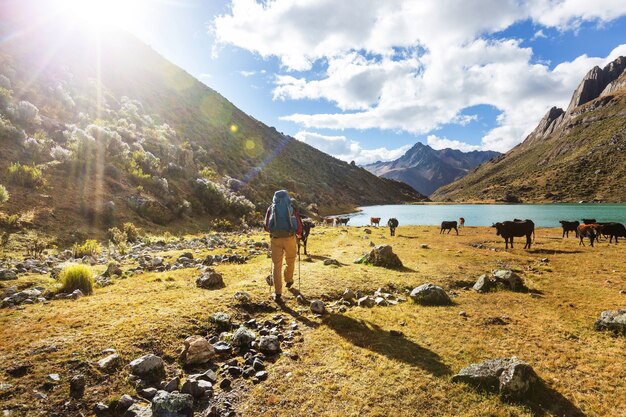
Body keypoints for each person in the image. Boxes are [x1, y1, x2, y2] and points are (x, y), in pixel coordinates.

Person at [264, 190, 303, 302]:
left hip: (275, 239)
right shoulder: (290, 207)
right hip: (290, 238)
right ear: (287, 197)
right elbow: (299, 224)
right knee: (290, 260)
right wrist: (299, 234)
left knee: (277, 266)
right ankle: (288, 279)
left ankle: (278, 293)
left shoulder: (271, 208)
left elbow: (266, 226)